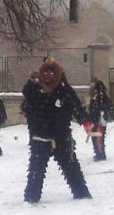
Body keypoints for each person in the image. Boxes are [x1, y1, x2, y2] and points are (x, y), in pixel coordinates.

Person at [21, 58, 93, 203]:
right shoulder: (35, 90)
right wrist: (31, 81)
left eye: (51, 73)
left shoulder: (64, 91)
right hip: (40, 137)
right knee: (36, 169)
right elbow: (26, 95)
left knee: (71, 167)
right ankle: (31, 197)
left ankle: (81, 193)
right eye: (45, 72)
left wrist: (85, 122)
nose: (47, 76)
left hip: (61, 137)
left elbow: (76, 106)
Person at [86, 76, 114, 161]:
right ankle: (99, 153)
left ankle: (100, 154)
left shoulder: (99, 94)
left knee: (98, 136)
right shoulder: (97, 94)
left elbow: (102, 106)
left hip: (100, 119)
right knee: (97, 136)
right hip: (98, 119)